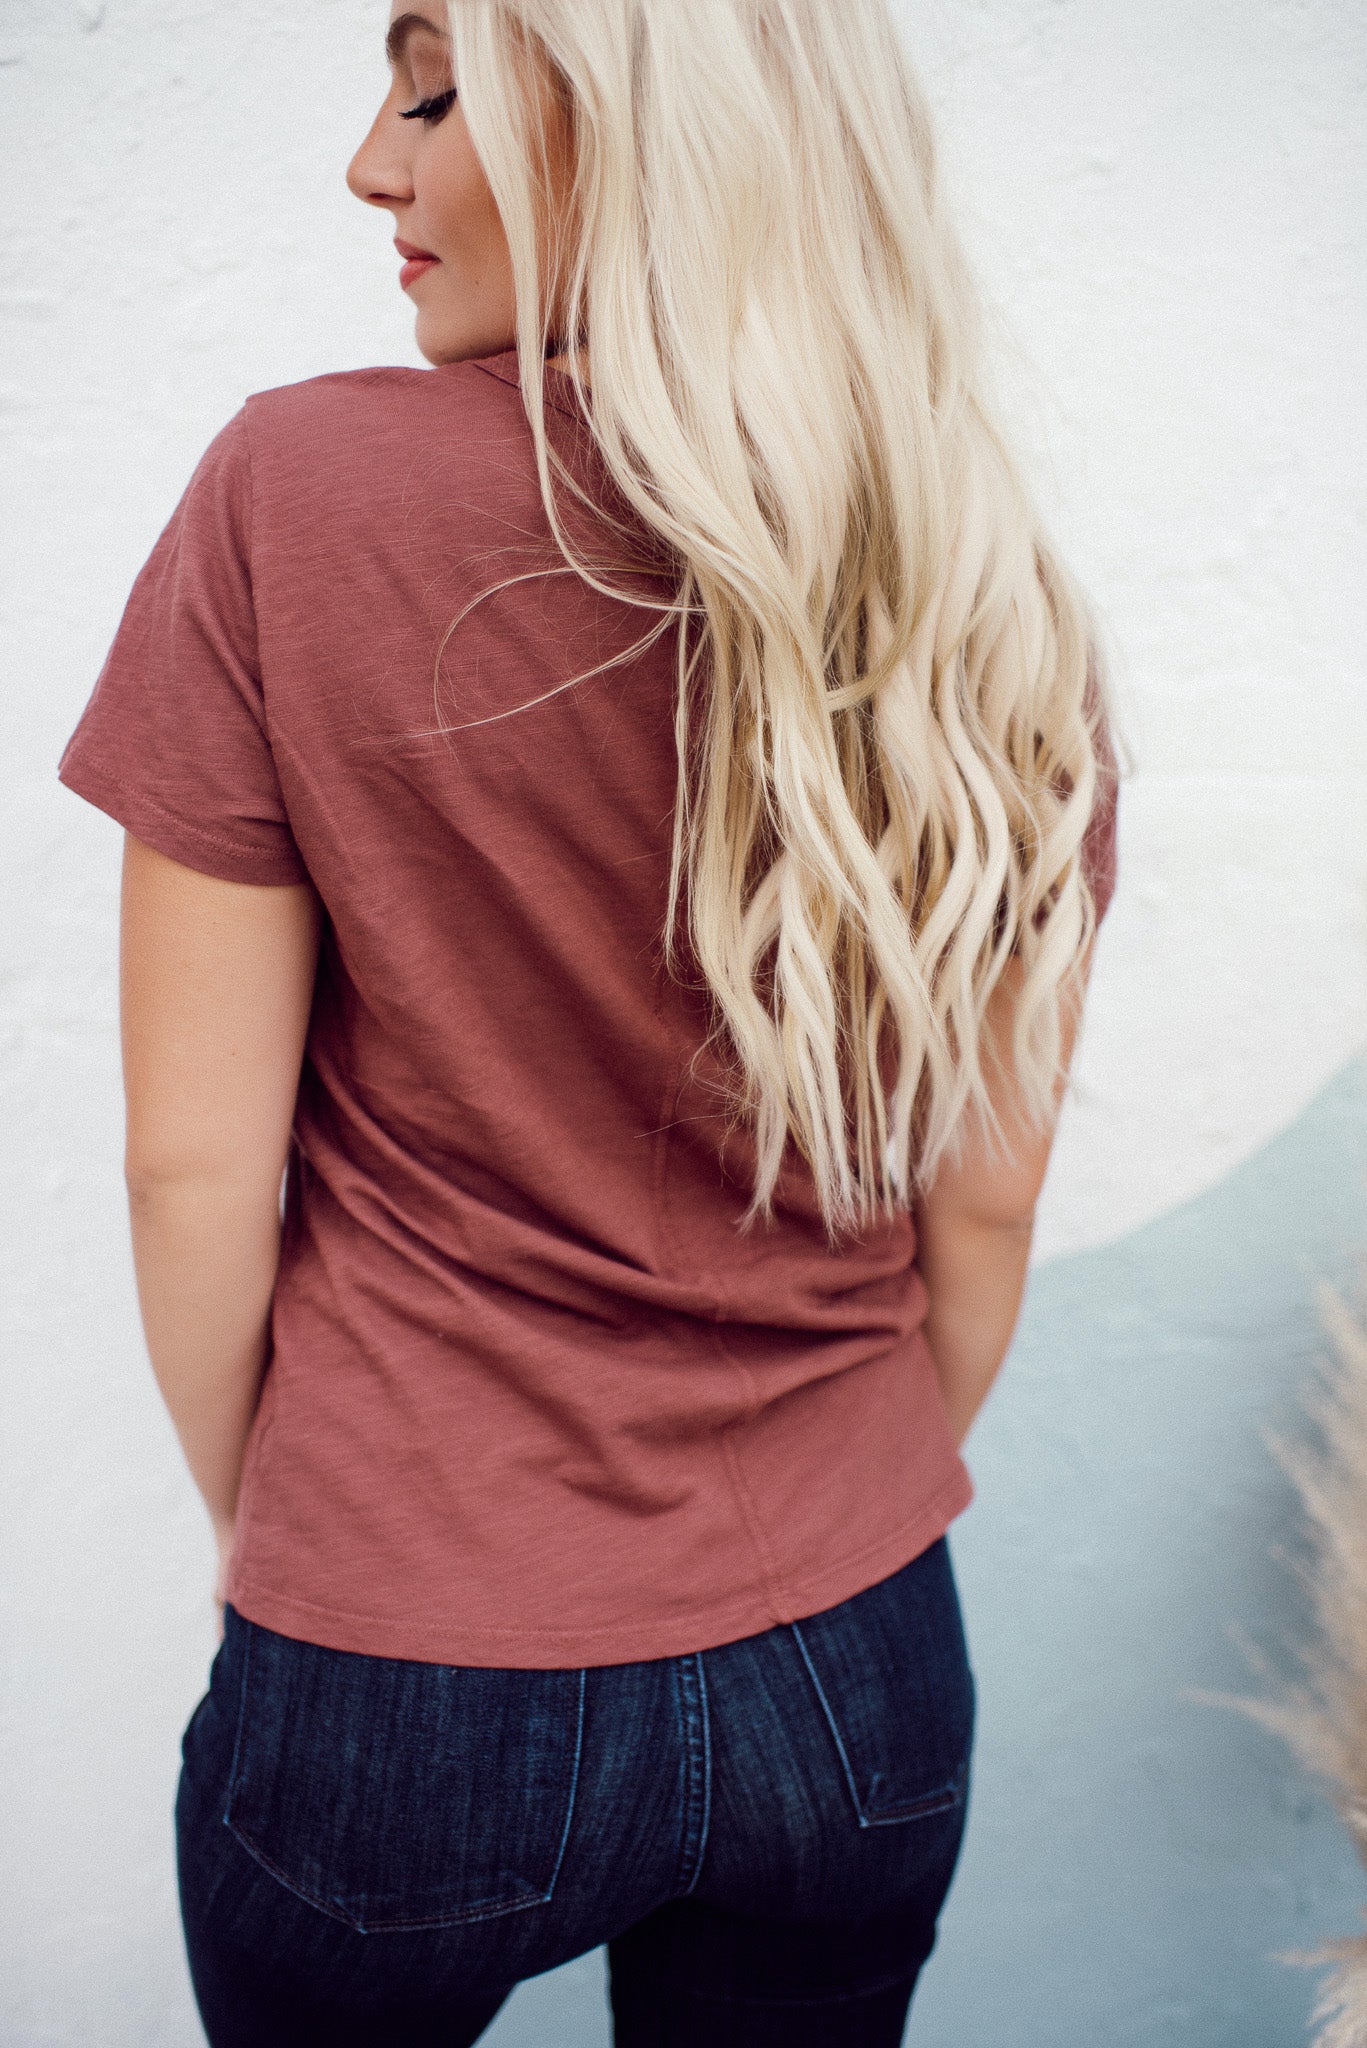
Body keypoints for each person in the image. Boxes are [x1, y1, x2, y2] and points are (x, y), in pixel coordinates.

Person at [56, 1, 1121, 2042]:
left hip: (403, 1654)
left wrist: (279, 1533)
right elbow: (980, 1213)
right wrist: (834, 1506)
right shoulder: (980, 590)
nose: (373, 162)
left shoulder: (296, 490)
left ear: (647, 128)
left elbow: (191, 1169)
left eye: (435, 87)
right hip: (863, 1659)